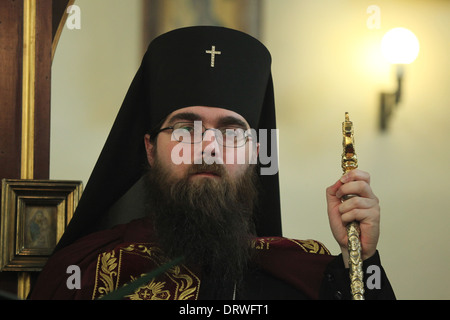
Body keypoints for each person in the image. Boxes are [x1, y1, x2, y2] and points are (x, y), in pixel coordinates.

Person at [30, 26, 395, 300]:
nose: (208, 147)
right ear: (150, 149)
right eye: (186, 128)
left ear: (254, 154)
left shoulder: (307, 274)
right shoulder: (83, 272)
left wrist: (358, 257)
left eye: (232, 132)